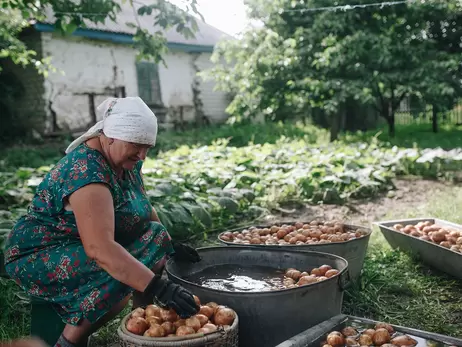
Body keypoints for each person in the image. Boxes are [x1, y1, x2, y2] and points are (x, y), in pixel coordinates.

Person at [3, 97, 201, 347]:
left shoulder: (125, 161)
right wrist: (156, 286)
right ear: (110, 137)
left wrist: (170, 245)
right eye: (137, 145)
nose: (142, 155)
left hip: (79, 243)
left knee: (156, 236)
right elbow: (100, 250)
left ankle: (144, 327)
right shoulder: (87, 172)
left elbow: (143, 203)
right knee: (120, 272)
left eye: (147, 147)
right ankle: (68, 342)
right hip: (39, 253)